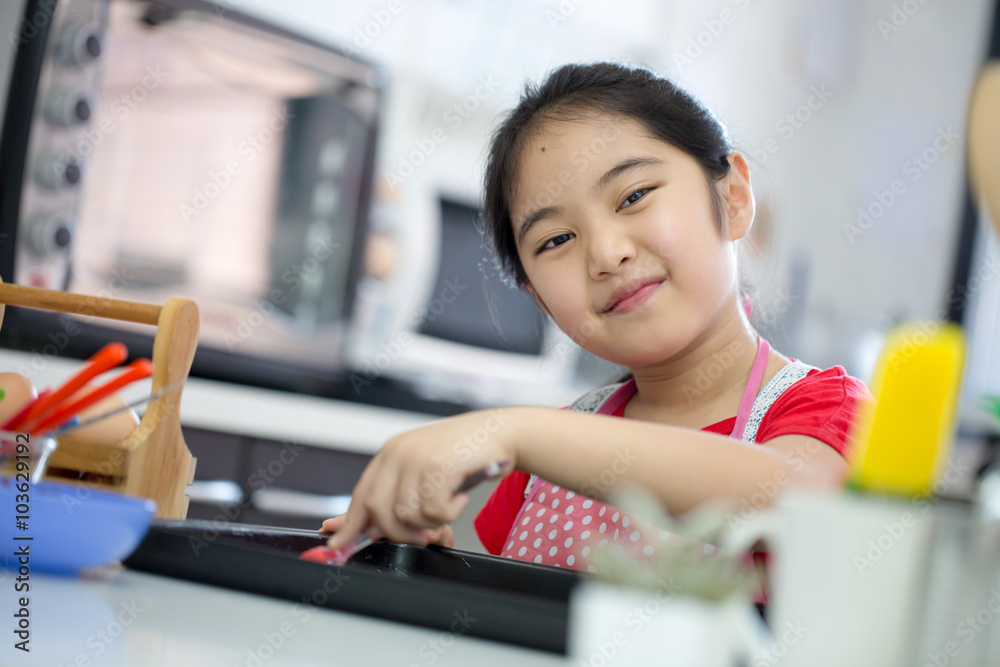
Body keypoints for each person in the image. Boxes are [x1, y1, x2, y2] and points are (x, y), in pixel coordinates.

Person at [324, 62, 871, 574]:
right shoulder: (541, 460)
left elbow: (794, 502)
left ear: (731, 198)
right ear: (538, 297)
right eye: (557, 239)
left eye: (633, 195)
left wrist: (517, 428)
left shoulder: (824, 409)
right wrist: (424, 561)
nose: (607, 254)